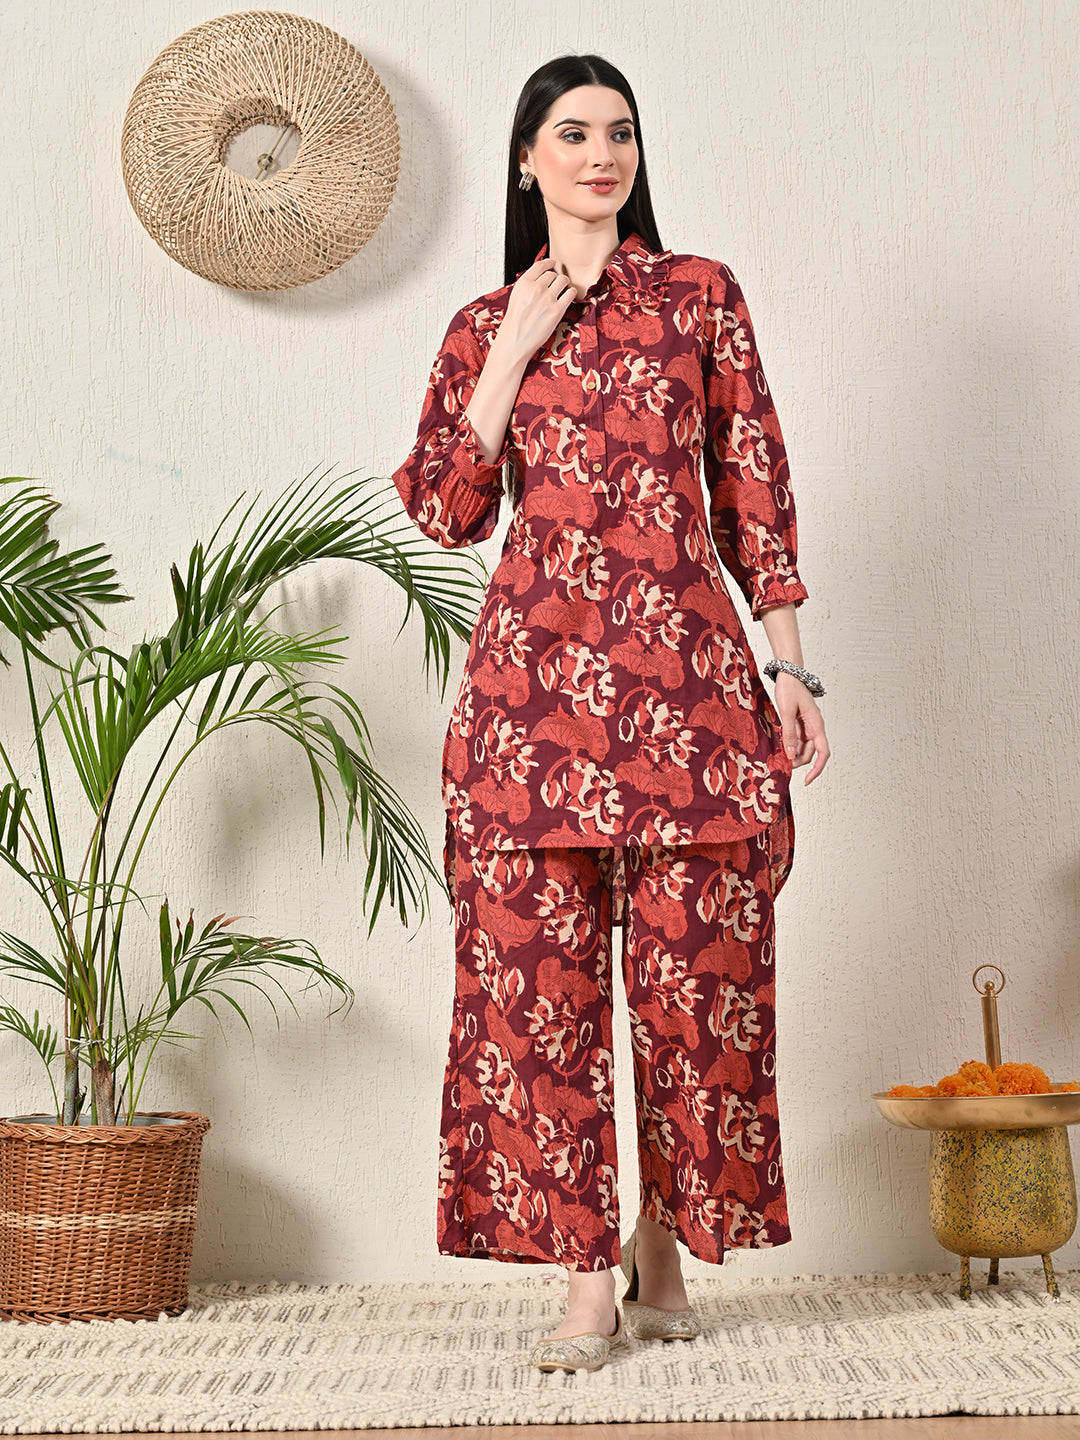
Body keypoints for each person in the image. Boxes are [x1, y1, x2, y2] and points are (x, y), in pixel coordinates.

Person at [391, 53, 830, 1373]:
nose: (602, 154)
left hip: (694, 702)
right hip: (531, 712)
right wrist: (509, 355)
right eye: (573, 133)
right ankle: (587, 1282)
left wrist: (791, 668)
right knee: (540, 1003)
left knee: (695, 992)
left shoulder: (700, 297)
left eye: (621, 132)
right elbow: (445, 509)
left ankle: (662, 1245)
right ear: (527, 158)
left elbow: (753, 483)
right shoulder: (483, 322)